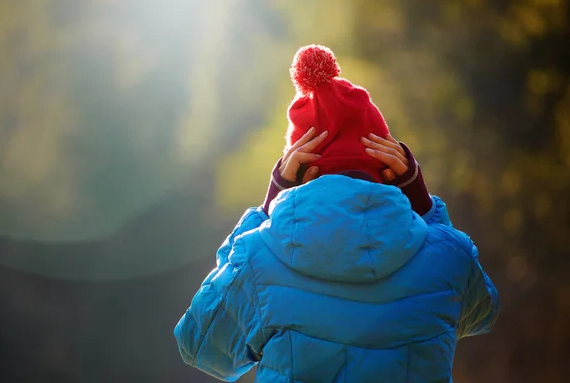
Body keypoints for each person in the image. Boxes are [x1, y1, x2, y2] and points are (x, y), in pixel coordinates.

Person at [174, 45, 500, 382]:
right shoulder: (448, 258)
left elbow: (199, 345)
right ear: (386, 163)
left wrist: (268, 207)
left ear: (301, 172)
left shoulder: (258, 258)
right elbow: (481, 313)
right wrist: (422, 205)